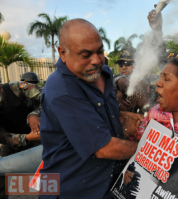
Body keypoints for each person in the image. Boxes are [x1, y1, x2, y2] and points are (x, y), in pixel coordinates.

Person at [40, 19, 140, 199]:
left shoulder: (104, 73)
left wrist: (122, 115)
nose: (96, 60)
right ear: (62, 53)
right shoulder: (63, 91)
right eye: (85, 54)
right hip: (73, 189)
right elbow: (104, 148)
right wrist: (149, 149)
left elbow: (100, 113)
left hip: (109, 183)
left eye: (100, 51)